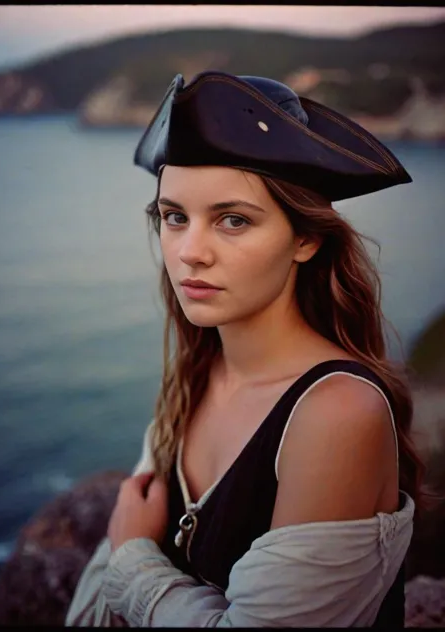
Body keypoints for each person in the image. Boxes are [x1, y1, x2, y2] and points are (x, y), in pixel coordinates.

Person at [65, 70, 424, 627]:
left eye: (233, 220)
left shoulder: (335, 412)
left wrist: (131, 557)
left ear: (305, 238)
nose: (190, 252)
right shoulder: (195, 372)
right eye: (174, 217)